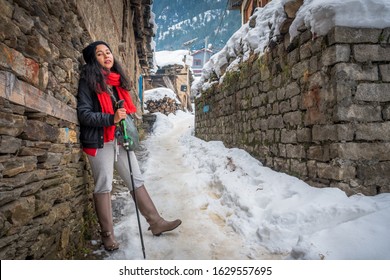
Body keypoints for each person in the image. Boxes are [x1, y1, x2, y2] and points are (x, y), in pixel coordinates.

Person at [77, 41, 182, 251]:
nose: (107, 56)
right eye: (100, 54)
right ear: (92, 59)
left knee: (136, 178)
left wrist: (120, 119)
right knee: (104, 184)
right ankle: (107, 235)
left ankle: (156, 222)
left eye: (108, 51)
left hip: (120, 138)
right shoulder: (88, 83)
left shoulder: (116, 83)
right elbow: (84, 114)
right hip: (100, 140)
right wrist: (111, 118)